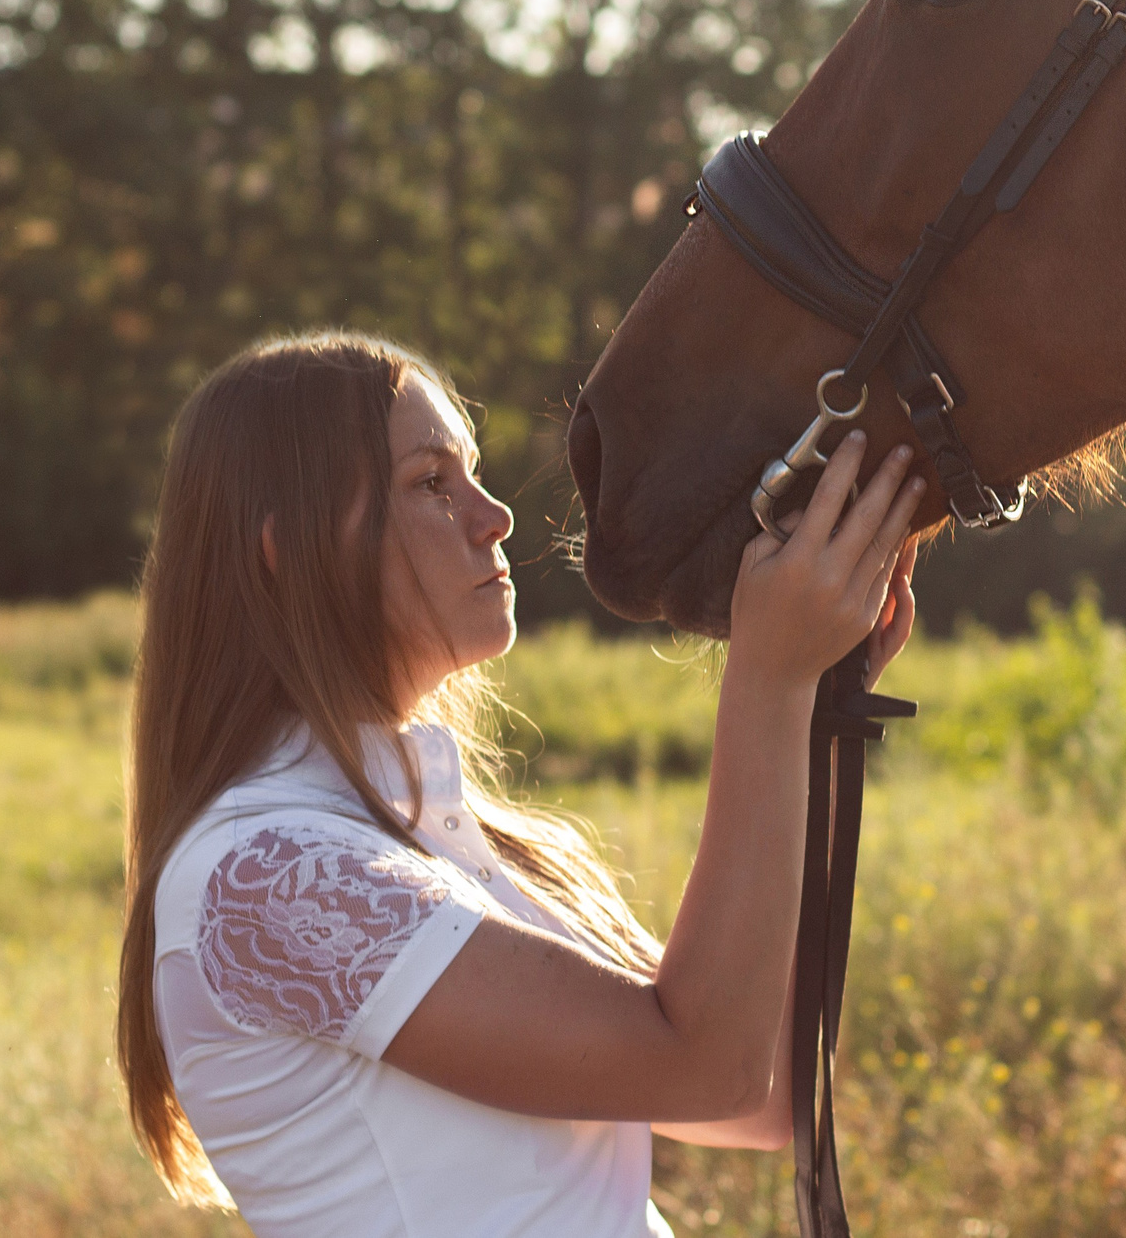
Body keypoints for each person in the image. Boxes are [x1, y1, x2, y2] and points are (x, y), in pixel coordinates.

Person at [115, 330, 923, 1236]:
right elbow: (709, 1066)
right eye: (431, 482)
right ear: (288, 550)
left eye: (471, 471)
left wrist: (810, 710)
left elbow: (758, 1093)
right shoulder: (263, 876)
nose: (494, 514)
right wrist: (769, 681)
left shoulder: (451, 840)